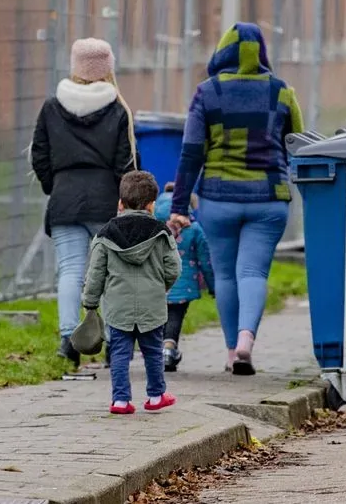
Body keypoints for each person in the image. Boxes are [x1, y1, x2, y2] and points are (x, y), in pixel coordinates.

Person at [167, 22, 304, 376]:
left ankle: (231, 353)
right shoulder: (283, 91)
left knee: (226, 275)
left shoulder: (206, 93)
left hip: (218, 199)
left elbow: (191, 153)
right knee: (253, 271)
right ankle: (247, 340)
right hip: (269, 198)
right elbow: (298, 144)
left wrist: (180, 206)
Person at [31, 38, 136, 369]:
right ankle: (111, 340)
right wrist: (126, 201)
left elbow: (40, 155)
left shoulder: (52, 106)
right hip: (105, 200)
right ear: (108, 69)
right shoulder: (118, 109)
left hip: (64, 199)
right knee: (110, 272)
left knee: (71, 270)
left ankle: (67, 339)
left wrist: (54, 185)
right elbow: (126, 162)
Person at [81, 171, 181, 415]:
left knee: (119, 354)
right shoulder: (161, 232)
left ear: (120, 203)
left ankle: (120, 401)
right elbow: (174, 268)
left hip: (118, 307)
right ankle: (156, 396)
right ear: (151, 205)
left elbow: (95, 273)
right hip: (152, 305)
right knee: (153, 352)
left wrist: (90, 302)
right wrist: (161, 287)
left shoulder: (106, 234)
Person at [154, 183, 215, 372]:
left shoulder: (151, 226)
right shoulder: (194, 229)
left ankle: (155, 352)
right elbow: (206, 261)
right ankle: (169, 350)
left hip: (155, 283)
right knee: (175, 318)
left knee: (157, 319)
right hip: (183, 284)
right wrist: (213, 286)